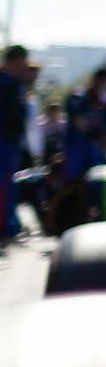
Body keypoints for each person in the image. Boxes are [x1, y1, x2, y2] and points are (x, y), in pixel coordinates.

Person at [63, 67, 106, 185]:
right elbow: (78, 121)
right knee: (74, 181)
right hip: (77, 145)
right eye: (100, 80)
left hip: (96, 149)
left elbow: (105, 126)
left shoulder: (105, 101)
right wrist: (94, 135)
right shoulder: (78, 97)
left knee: (96, 180)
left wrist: (103, 141)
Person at [0, 45, 29, 243]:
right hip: (5, 142)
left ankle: (8, 228)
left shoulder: (14, 83)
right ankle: (5, 231)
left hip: (10, 142)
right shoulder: (8, 83)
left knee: (8, 187)